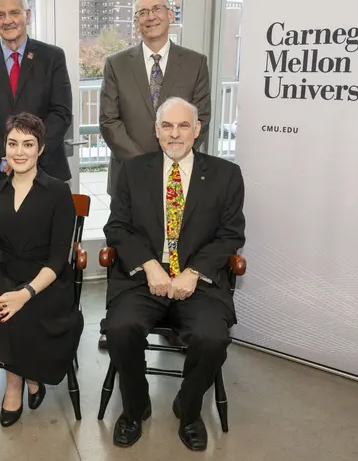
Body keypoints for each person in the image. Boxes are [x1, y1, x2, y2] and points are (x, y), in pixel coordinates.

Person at [102, 97, 244, 452]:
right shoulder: (133, 171)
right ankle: (135, 407)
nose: (175, 133)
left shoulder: (226, 175)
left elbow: (231, 235)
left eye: (183, 126)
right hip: (142, 278)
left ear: (197, 130)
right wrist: (149, 264)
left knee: (212, 338)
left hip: (199, 281)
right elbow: (117, 227)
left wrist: (193, 273)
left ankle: (190, 407)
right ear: (156, 131)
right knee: (120, 329)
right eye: (167, 126)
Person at [0, 112, 84, 427]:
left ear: (40, 149)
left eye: (28, 144)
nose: (20, 151)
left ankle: (15, 385)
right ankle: (29, 373)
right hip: (3, 276)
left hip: (46, 283)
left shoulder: (57, 192)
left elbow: (57, 260)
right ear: (5, 146)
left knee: (17, 317)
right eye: (13, 143)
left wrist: (22, 295)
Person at [99, 0, 211, 197]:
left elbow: (201, 119)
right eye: (142, 12)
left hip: (178, 174)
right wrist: (144, 166)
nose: (150, 17)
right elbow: (109, 121)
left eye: (157, 9)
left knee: (175, 230)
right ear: (135, 22)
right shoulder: (116, 64)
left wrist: (169, 160)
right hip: (128, 175)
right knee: (125, 231)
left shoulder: (195, 63)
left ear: (170, 14)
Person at [0, 0, 73, 190]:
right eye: (0, 15)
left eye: (14, 12)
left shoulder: (52, 58)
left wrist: (32, 153)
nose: (7, 20)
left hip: (47, 170)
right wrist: (6, 157)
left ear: (28, 16)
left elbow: (61, 112)